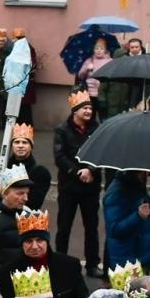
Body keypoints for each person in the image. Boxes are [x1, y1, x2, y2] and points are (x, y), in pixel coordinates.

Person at [53, 89, 101, 277]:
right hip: (69, 187)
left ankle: (92, 264)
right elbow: (59, 156)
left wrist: (91, 170)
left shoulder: (96, 129)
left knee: (92, 227)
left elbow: (100, 153)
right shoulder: (62, 130)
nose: (89, 111)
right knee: (64, 226)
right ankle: (60, 261)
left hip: (91, 186)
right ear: (75, 110)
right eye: (85, 108)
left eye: (90, 107)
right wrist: (76, 172)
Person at [104, 170, 150, 270]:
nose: (147, 174)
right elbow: (114, 229)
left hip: (144, 257)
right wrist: (137, 216)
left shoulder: (138, 189)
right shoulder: (116, 194)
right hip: (128, 262)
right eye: (144, 171)